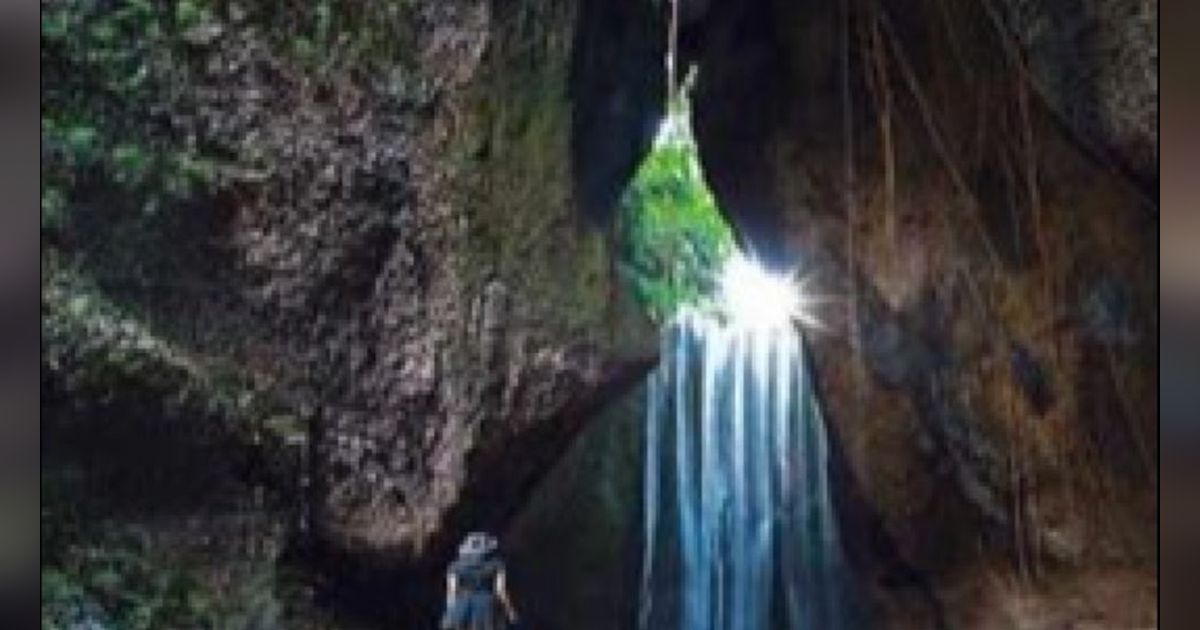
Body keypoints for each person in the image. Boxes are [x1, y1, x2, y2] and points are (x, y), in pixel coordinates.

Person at [440, 532, 520, 629]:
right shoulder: (496, 564)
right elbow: (500, 591)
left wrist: (450, 613)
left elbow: (452, 593)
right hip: (486, 606)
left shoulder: (455, 566)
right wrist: (510, 611)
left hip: (461, 606)